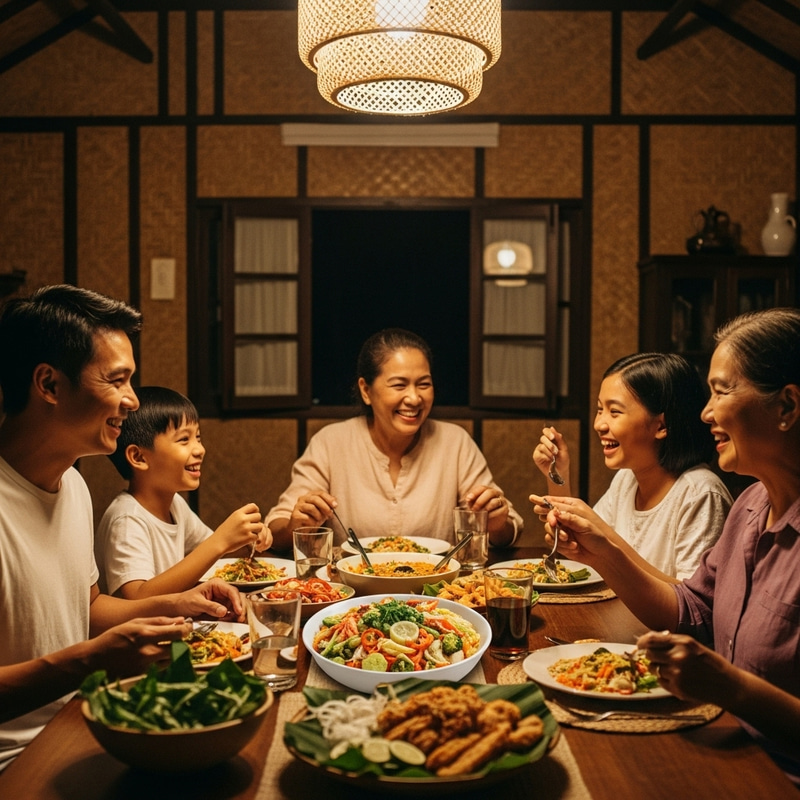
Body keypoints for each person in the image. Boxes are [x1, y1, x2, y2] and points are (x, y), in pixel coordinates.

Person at [536, 308, 800, 785]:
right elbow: (691, 607)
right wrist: (601, 546)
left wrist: (733, 687)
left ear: (786, 407)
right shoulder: (751, 505)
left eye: (721, 392)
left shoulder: (704, 490)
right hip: (716, 735)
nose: (705, 412)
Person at [0, 285, 243, 770]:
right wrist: (90, 661)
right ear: (48, 384)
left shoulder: (71, 483)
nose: (132, 401)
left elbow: (86, 607)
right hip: (16, 756)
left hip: (88, 716)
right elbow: (82, 647)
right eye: (117, 381)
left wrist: (176, 603)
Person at [266, 327, 523, 552]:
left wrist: (496, 523)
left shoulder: (455, 442)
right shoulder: (331, 443)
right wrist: (296, 525)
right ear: (366, 391)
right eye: (399, 385)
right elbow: (275, 531)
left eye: (423, 384)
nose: (413, 398)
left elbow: (509, 531)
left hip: (436, 594)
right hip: (353, 593)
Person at [532, 352, 732, 579]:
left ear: (661, 426)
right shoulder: (626, 479)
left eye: (614, 412)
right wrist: (557, 475)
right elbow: (582, 551)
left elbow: (693, 604)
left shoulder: (701, 494)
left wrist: (606, 538)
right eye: (600, 410)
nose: (599, 424)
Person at [95, 385, 270, 599]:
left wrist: (247, 539)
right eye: (184, 440)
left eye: (198, 437)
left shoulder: (174, 503)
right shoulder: (127, 519)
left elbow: (210, 553)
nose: (199, 449)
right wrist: (221, 541)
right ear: (139, 457)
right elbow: (137, 597)